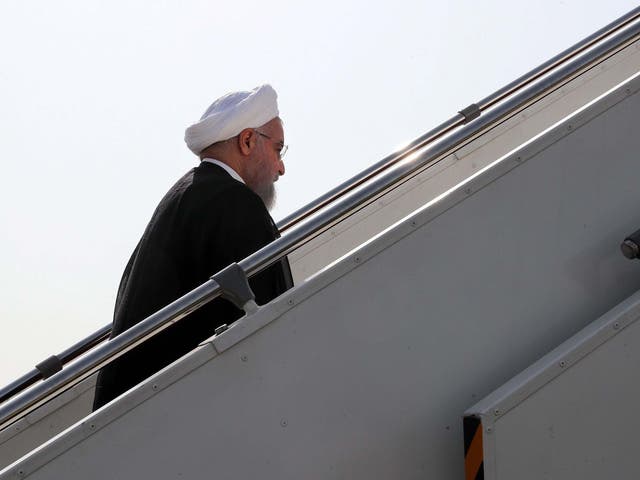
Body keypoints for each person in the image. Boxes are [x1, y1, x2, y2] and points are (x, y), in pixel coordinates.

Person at [92, 84, 293, 411]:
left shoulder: (188, 195)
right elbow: (268, 326)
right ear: (247, 141)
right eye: (278, 149)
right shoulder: (234, 205)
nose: (281, 167)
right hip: (175, 412)